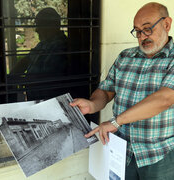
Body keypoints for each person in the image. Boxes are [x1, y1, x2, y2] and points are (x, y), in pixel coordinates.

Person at [70, 2, 174, 180]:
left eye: (147, 29)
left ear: (166, 24)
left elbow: (164, 99)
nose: (142, 36)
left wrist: (116, 122)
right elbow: (106, 90)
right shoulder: (125, 56)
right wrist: (92, 104)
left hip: (159, 155)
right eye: (137, 31)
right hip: (122, 151)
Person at [11, 7, 68, 100]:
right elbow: (26, 60)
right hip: (36, 99)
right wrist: (12, 76)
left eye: (40, 25)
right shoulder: (43, 43)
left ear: (52, 26)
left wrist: (22, 80)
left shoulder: (61, 46)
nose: (36, 30)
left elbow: (48, 79)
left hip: (49, 102)